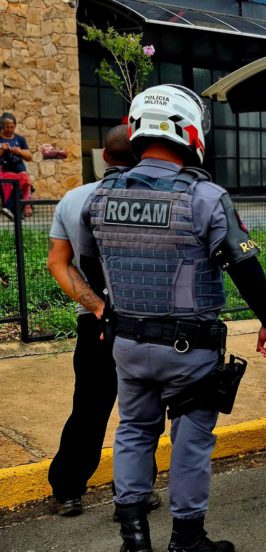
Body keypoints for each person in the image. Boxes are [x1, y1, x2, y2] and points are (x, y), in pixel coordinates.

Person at [78, 84, 266, 552]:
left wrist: (108, 310)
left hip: (127, 343)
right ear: (190, 132)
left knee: (133, 431)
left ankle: (133, 538)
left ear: (137, 129)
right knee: (190, 442)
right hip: (187, 350)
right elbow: (244, 265)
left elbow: (89, 264)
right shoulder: (205, 197)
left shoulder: (100, 196)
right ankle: (187, 545)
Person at [47, 125, 162, 519]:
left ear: (105, 157)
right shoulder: (157, 200)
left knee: (89, 408)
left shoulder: (73, 199)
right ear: (142, 155)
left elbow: (57, 263)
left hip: (95, 323)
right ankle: (135, 492)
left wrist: (97, 306)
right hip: (145, 321)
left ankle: (68, 491)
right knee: (142, 413)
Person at [0, 112, 33, 220]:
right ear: (2, 126)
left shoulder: (20, 139)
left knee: (24, 180)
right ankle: (16, 211)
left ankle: (10, 209)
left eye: (12, 127)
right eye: (7, 127)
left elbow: (29, 157)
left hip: (18, 169)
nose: (10, 129)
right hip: (4, 170)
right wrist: (2, 150)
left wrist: (19, 151)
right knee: (16, 180)